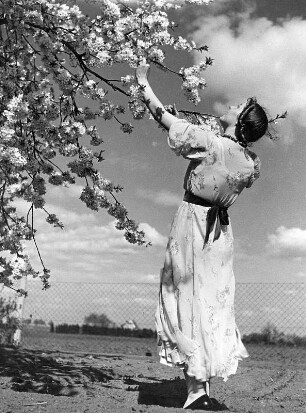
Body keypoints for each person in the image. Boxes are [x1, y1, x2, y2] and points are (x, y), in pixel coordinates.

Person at [136, 61, 269, 410]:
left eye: (236, 107)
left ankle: (195, 392)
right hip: (221, 232)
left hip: (193, 224)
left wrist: (142, 82)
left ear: (239, 122)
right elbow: (221, 159)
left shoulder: (209, 143)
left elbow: (161, 116)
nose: (229, 106)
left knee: (185, 298)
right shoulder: (250, 162)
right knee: (212, 302)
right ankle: (202, 386)